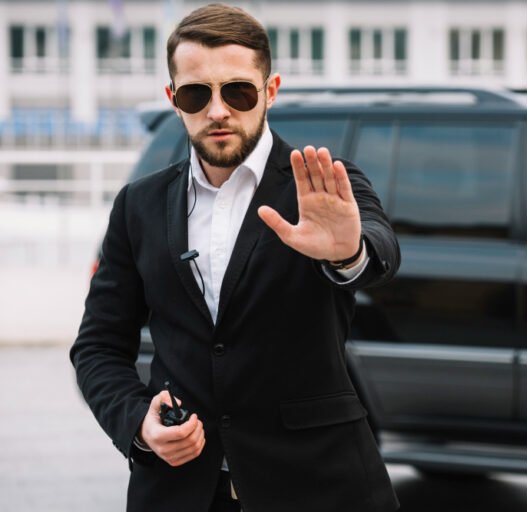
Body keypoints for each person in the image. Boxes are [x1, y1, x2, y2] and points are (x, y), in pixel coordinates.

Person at [69, 4, 400, 512]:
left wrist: (348, 254)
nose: (218, 110)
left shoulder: (327, 185)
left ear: (270, 90)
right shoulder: (138, 205)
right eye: (196, 93)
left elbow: (380, 248)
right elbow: (97, 347)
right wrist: (138, 422)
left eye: (238, 91)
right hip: (179, 492)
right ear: (173, 99)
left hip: (319, 487)